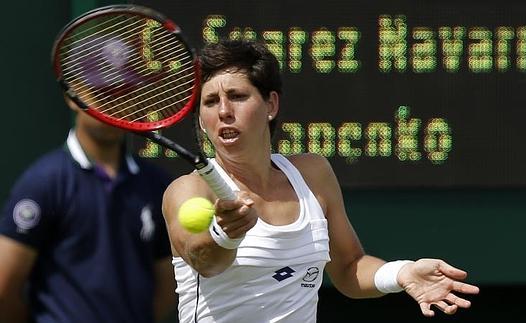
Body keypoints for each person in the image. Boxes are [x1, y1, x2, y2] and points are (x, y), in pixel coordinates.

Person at [162, 39, 480, 323]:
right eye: (210, 102)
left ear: (271, 105)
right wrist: (225, 233)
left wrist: (401, 272)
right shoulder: (189, 190)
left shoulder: (313, 174)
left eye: (237, 96)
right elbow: (204, 261)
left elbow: (349, 267)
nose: (224, 111)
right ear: (201, 119)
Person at [0, 96, 177, 323]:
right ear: (72, 96)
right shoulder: (43, 182)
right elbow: (4, 290)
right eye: (101, 91)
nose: (113, 101)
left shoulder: (156, 184)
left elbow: (168, 284)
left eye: (122, 91)